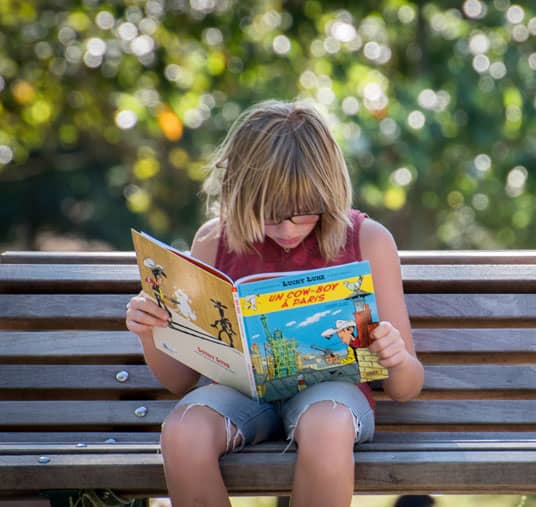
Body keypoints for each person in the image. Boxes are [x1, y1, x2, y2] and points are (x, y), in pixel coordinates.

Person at [125, 99, 425, 507]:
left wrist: (395, 357)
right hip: (238, 394)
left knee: (327, 426)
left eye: (303, 214)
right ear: (240, 194)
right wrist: (150, 330)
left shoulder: (367, 240)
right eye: (269, 215)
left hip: (331, 397)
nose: (286, 229)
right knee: (183, 430)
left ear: (329, 193)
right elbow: (180, 381)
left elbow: (407, 387)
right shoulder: (214, 241)